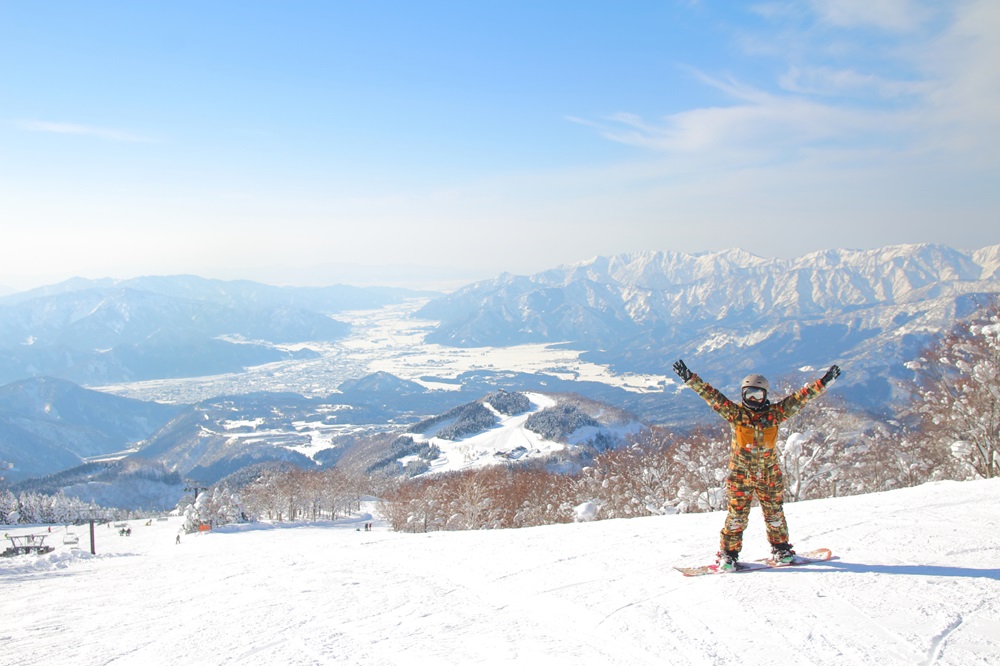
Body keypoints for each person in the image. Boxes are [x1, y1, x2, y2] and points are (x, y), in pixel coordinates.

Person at [672, 358, 841, 572]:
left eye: (758, 395)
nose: (753, 399)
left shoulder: (774, 415)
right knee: (737, 516)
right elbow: (712, 396)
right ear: (742, 395)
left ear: (765, 396)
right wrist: (690, 379)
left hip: (768, 475)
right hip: (740, 477)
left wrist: (823, 382)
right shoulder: (737, 415)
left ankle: (781, 549)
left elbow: (800, 399)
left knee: (774, 514)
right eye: (748, 395)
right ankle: (728, 555)